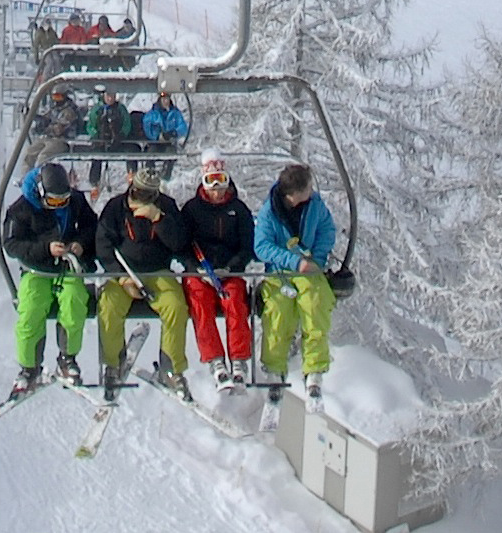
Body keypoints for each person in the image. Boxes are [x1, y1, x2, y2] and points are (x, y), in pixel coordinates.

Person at [0, 164, 100, 390]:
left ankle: (67, 358)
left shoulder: (76, 202)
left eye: (63, 200)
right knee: (31, 308)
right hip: (38, 269)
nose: (60, 205)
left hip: (67, 266)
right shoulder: (21, 209)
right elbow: (12, 244)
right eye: (54, 201)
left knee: (75, 301)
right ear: (41, 193)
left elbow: (92, 227)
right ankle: (29, 367)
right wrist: (45, 249)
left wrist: (80, 245)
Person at [255, 161, 344, 393]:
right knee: (278, 312)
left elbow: (326, 230)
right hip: (280, 272)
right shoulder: (270, 213)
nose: (311, 191)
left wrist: (318, 259)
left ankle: (314, 368)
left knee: (315, 305)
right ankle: (275, 368)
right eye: (307, 188)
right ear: (292, 195)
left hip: (309, 269)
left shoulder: (315, 206)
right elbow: (262, 246)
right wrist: (293, 261)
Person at [174, 152, 258, 386]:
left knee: (234, 303)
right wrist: (194, 267)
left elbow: (247, 246)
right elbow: (181, 245)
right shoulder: (191, 210)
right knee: (199, 303)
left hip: (228, 273)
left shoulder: (238, 210)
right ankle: (215, 360)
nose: (216, 189)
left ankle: (239, 359)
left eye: (221, 181)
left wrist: (231, 268)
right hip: (200, 272)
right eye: (211, 181)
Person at [101, 171, 190, 386]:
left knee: (175, 306)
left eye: (149, 194)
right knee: (109, 307)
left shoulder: (166, 206)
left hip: (157, 271)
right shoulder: (115, 207)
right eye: (139, 193)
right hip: (123, 273)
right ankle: (113, 364)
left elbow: (179, 243)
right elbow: (102, 244)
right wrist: (122, 278)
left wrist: (159, 220)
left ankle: (172, 368)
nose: (143, 198)